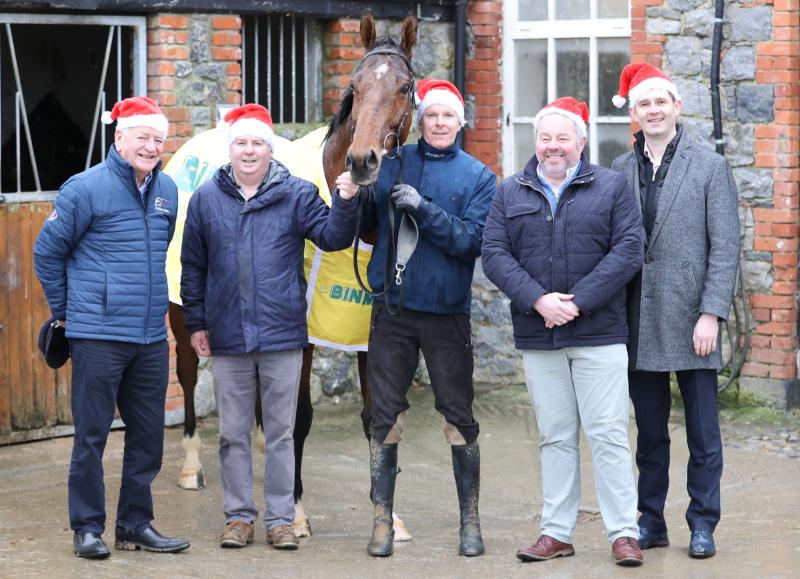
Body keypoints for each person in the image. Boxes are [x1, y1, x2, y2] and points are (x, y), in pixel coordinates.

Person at [179, 104, 359, 551]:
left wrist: (347, 200)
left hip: (281, 336)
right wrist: (196, 322)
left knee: (280, 434)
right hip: (228, 336)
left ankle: (280, 519)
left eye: (257, 142)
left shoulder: (296, 194)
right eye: (240, 142)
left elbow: (333, 238)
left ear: (270, 150)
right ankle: (239, 518)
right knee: (231, 434)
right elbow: (192, 267)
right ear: (230, 149)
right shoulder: (206, 198)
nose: (248, 150)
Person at [481, 97, 645, 566]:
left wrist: (576, 303)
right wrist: (538, 300)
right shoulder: (510, 191)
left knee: (609, 434)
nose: (554, 147)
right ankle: (556, 532)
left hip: (599, 334)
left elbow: (629, 249)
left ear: (581, 142)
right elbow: (494, 253)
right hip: (540, 336)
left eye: (562, 138)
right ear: (536, 143)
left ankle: (623, 533)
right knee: (554, 436)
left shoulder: (612, 187)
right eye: (545, 138)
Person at [33, 96, 189, 559]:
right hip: (98, 335)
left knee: (149, 438)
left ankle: (134, 524)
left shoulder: (169, 192)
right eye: (142, 137)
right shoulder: (83, 189)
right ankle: (86, 528)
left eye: (158, 139)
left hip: (149, 337)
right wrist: (67, 313)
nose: (151, 146)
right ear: (119, 137)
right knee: (91, 436)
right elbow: (47, 253)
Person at [361, 79, 496, 558]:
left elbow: (469, 242)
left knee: (459, 417)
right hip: (392, 312)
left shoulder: (479, 176)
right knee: (384, 417)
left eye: (448, 116)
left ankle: (470, 521)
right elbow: (365, 226)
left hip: (446, 317)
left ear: (461, 122)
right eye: (432, 116)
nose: (439, 123)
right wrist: (355, 189)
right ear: (420, 122)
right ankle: (381, 522)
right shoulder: (394, 163)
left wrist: (424, 208)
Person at [611, 63, 740, 559]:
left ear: (676, 107)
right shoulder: (619, 171)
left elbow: (725, 246)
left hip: (693, 320)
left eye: (661, 101)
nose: (653, 110)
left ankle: (703, 522)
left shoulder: (709, 166)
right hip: (638, 318)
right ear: (635, 115)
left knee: (704, 432)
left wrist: (711, 312)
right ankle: (650, 520)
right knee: (649, 432)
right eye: (644, 104)